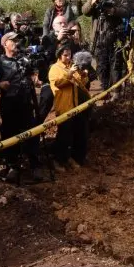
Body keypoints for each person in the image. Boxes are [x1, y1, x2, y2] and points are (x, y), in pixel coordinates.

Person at [0, 32, 43, 183]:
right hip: (9, 104)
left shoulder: (24, 59)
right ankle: (12, 165)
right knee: (9, 134)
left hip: (27, 102)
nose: (16, 42)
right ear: (4, 44)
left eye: (17, 40)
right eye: (12, 40)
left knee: (32, 132)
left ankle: (35, 165)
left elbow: (35, 73)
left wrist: (36, 77)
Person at [82, 0, 130, 92]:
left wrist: (114, 11)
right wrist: (92, 3)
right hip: (99, 37)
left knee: (116, 65)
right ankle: (105, 90)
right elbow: (84, 11)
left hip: (115, 36)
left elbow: (126, 11)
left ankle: (116, 91)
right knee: (102, 66)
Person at [49, 42, 91, 172]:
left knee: (78, 134)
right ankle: (58, 160)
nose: (68, 57)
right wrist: (69, 74)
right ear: (60, 55)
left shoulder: (73, 67)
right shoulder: (55, 68)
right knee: (63, 136)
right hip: (64, 107)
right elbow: (58, 83)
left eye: (70, 55)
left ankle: (73, 158)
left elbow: (82, 83)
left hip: (76, 106)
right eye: (65, 55)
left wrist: (84, 75)